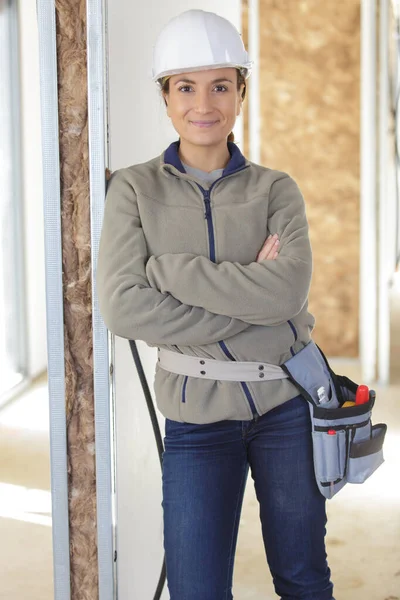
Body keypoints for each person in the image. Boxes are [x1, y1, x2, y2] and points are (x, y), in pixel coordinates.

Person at [97, 9, 335, 600]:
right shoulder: (134, 189)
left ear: (240, 93)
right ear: (166, 97)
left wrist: (171, 272)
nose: (204, 103)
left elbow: (287, 292)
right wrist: (252, 294)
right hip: (196, 420)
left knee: (304, 580)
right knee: (197, 591)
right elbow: (124, 308)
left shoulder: (275, 189)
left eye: (221, 85)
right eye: (186, 87)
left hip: (286, 405)